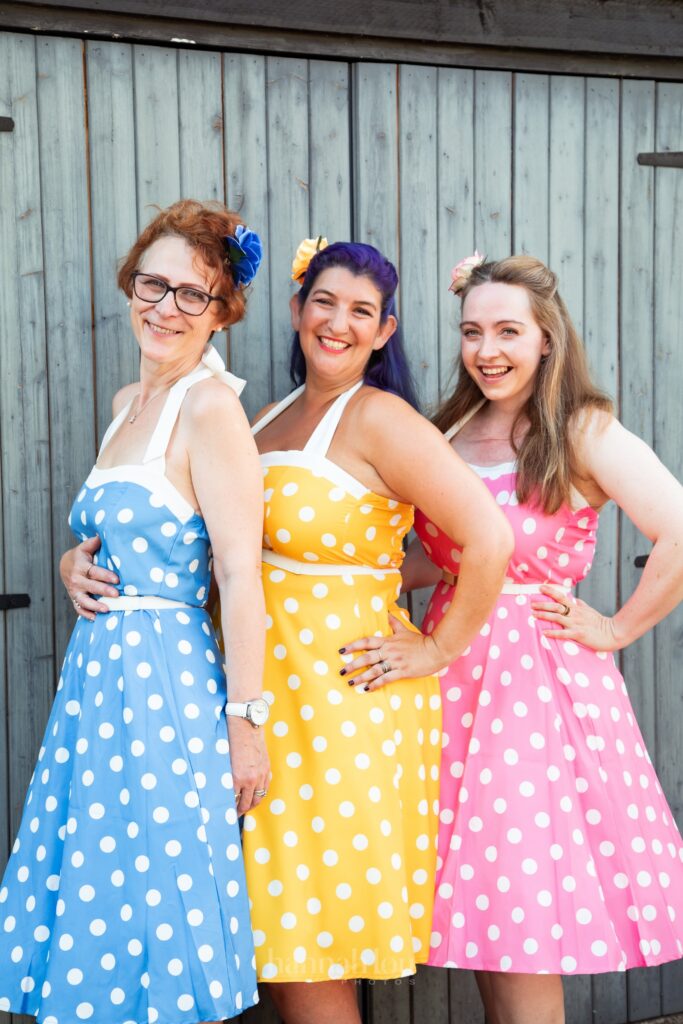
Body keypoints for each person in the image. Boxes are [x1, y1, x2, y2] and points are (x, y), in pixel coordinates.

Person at [0, 200, 270, 1024]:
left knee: (156, 892)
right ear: (129, 287)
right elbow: (121, 528)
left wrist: (245, 723)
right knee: (99, 883)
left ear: (222, 310)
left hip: (166, 687)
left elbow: (239, 572)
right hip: (98, 685)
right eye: (153, 284)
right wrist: (71, 561)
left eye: (194, 293)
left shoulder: (209, 408)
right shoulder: (128, 402)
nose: (166, 307)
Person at [403, 253, 683, 1023]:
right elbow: (435, 556)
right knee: (487, 921)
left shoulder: (579, 428)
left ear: (545, 339)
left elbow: (678, 529)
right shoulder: (449, 425)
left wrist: (618, 626)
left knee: (523, 916)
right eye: (470, 332)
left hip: (534, 692)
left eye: (505, 331)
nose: (486, 350)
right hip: (449, 677)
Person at [243, 238, 513, 1024]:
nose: (338, 322)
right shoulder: (270, 414)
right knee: (283, 939)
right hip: (270, 702)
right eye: (324, 302)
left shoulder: (379, 418)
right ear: (296, 310)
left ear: (384, 331)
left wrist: (435, 649)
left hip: (337, 708)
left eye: (361, 311)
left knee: (309, 942)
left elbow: (486, 540)